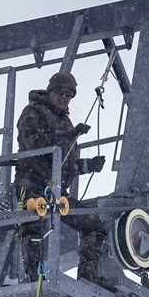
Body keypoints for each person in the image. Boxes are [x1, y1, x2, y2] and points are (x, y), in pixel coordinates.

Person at [15, 72, 108, 283]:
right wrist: (69, 135)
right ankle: (34, 278)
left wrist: (88, 165)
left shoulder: (65, 122)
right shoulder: (33, 111)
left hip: (57, 194)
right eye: (60, 92)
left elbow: (65, 164)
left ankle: (87, 276)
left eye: (69, 94)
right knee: (33, 228)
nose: (64, 97)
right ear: (50, 92)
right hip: (33, 186)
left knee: (94, 225)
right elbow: (32, 142)